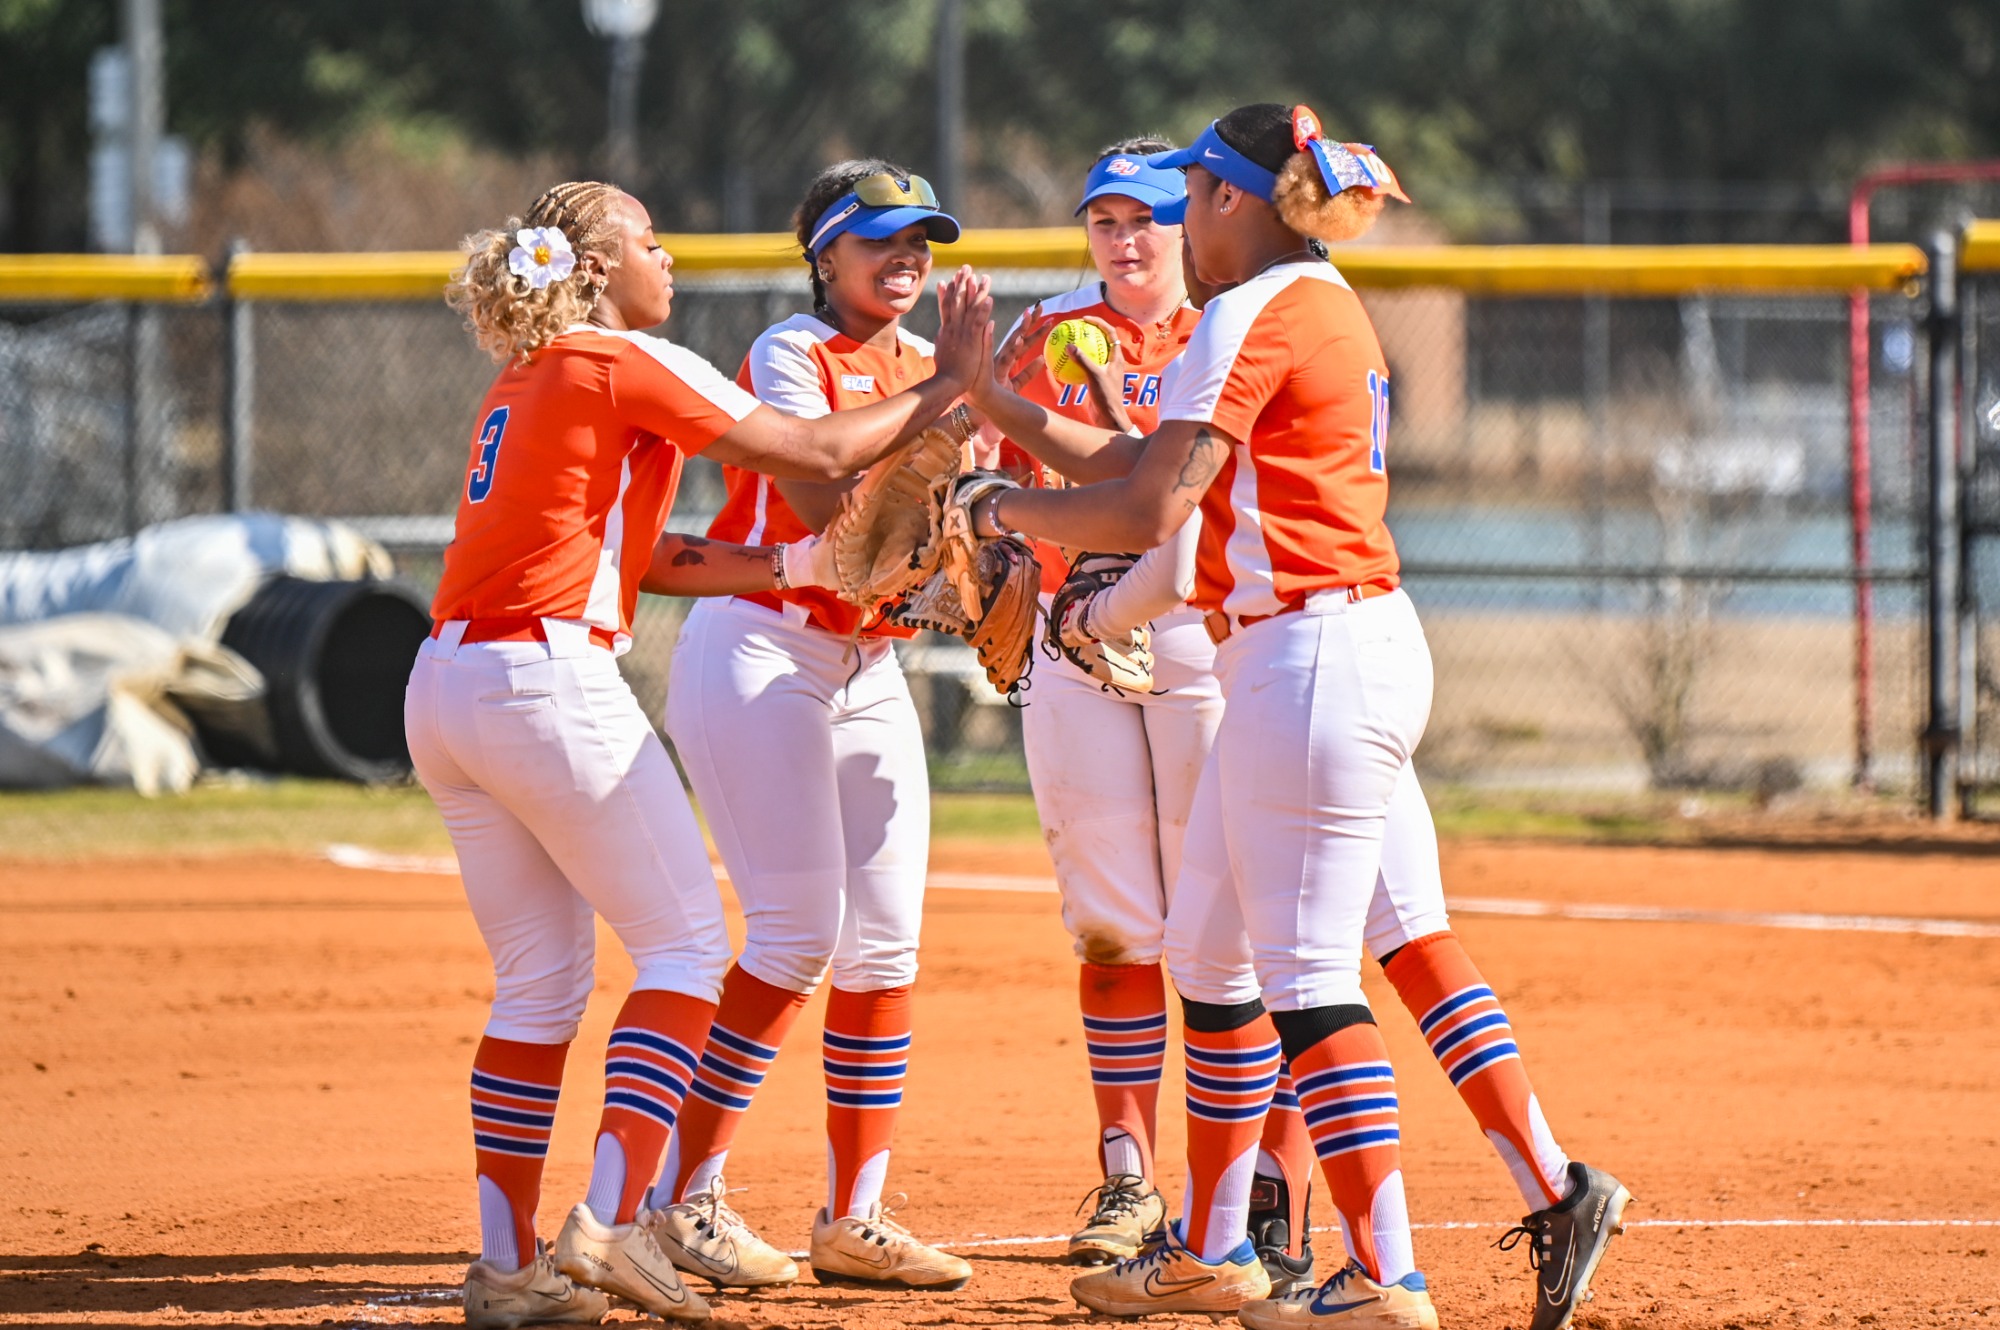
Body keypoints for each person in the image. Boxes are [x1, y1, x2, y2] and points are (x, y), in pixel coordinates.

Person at [967, 107, 1630, 1329]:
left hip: (1305, 666)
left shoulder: (1250, 309)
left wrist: (1005, 514)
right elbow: (1188, 512)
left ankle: (1386, 1276)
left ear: (1233, 202)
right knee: (1225, 952)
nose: (1176, 226)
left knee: (1309, 980)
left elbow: (1148, 501)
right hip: (1327, 647)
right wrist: (1089, 602)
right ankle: (1226, 1247)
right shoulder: (1313, 300)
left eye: (1190, 201)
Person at [412, 179, 988, 1329]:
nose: (666, 258)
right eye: (647, 241)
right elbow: (812, 446)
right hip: (544, 681)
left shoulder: (530, 373)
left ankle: (507, 1269)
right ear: (591, 267)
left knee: (538, 986)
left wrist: (789, 573)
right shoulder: (619, 356)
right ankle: (618, 1223)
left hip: (450, 685)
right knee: (683, 951)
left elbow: (655, 552)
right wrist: (948, 386)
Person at [982, 138, 1319, 1291]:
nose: (1124, 242)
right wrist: (994, 557)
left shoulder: (1230, 323)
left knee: (1227, 922)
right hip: (1070, 639)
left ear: (1190, 224)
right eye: (1103, 222)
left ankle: (1262, 1186)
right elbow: (991, 470)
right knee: (1114, 924)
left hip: (1196, 633)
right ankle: (1129, 1176)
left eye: (1145, 220)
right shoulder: (1040, 336)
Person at [643, 160, 974, 1294]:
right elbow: (826, 514)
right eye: (880, 238)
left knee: (885, 944)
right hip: (762, 646)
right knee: (793, 933)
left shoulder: (938, 365)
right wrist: (953, 407)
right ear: (825, 256)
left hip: (867, 660)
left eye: (920, 238)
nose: (907, 257)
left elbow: (957, 531)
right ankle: (680, 1199)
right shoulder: (791, 350)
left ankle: (855, 1218)